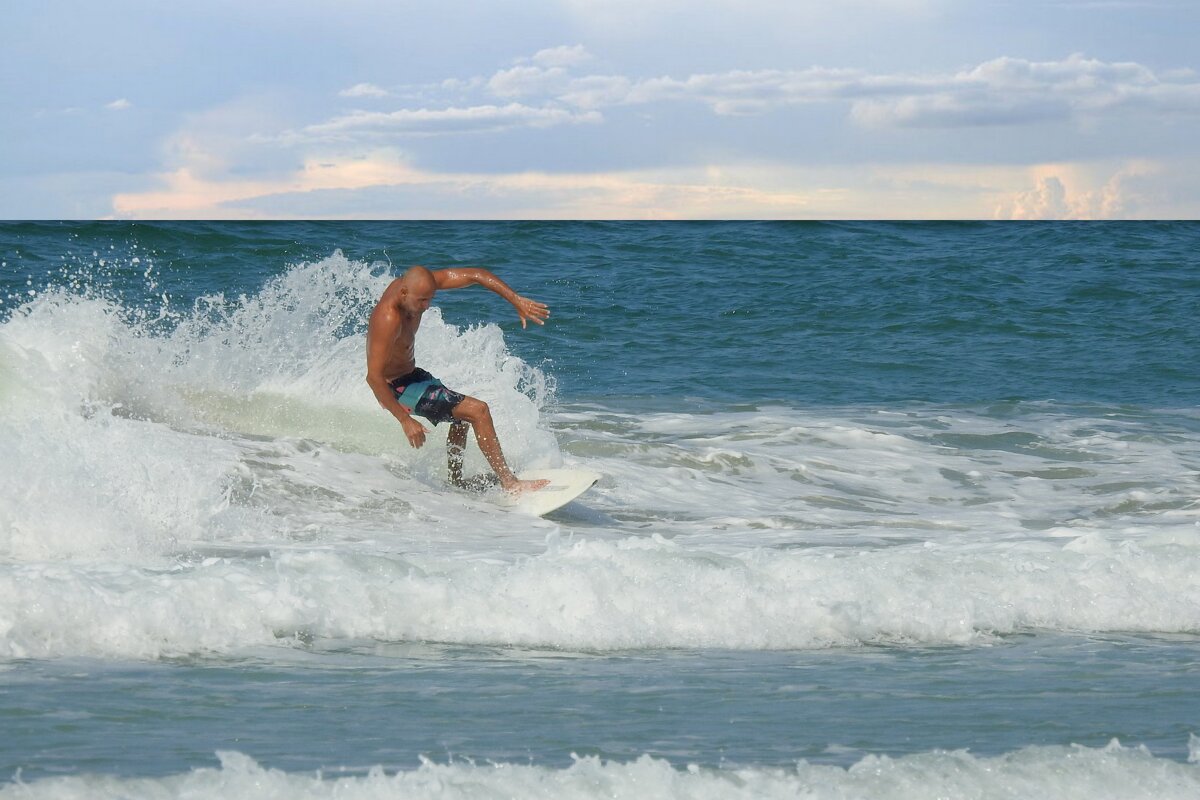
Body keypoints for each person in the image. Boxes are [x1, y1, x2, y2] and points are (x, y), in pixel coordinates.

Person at [365, 265, 550, 495]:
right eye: (422, 301)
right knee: (479, 411)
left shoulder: (418, 287)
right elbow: (373, 378)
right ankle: (510, 484)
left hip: (413, 376)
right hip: (396, 389)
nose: (426, 306)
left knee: (460, 419)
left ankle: (455, 482)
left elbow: (475, 275)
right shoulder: (388, 318)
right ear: (403, 293)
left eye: (430, 299)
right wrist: (405, 420)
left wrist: (515, 299)